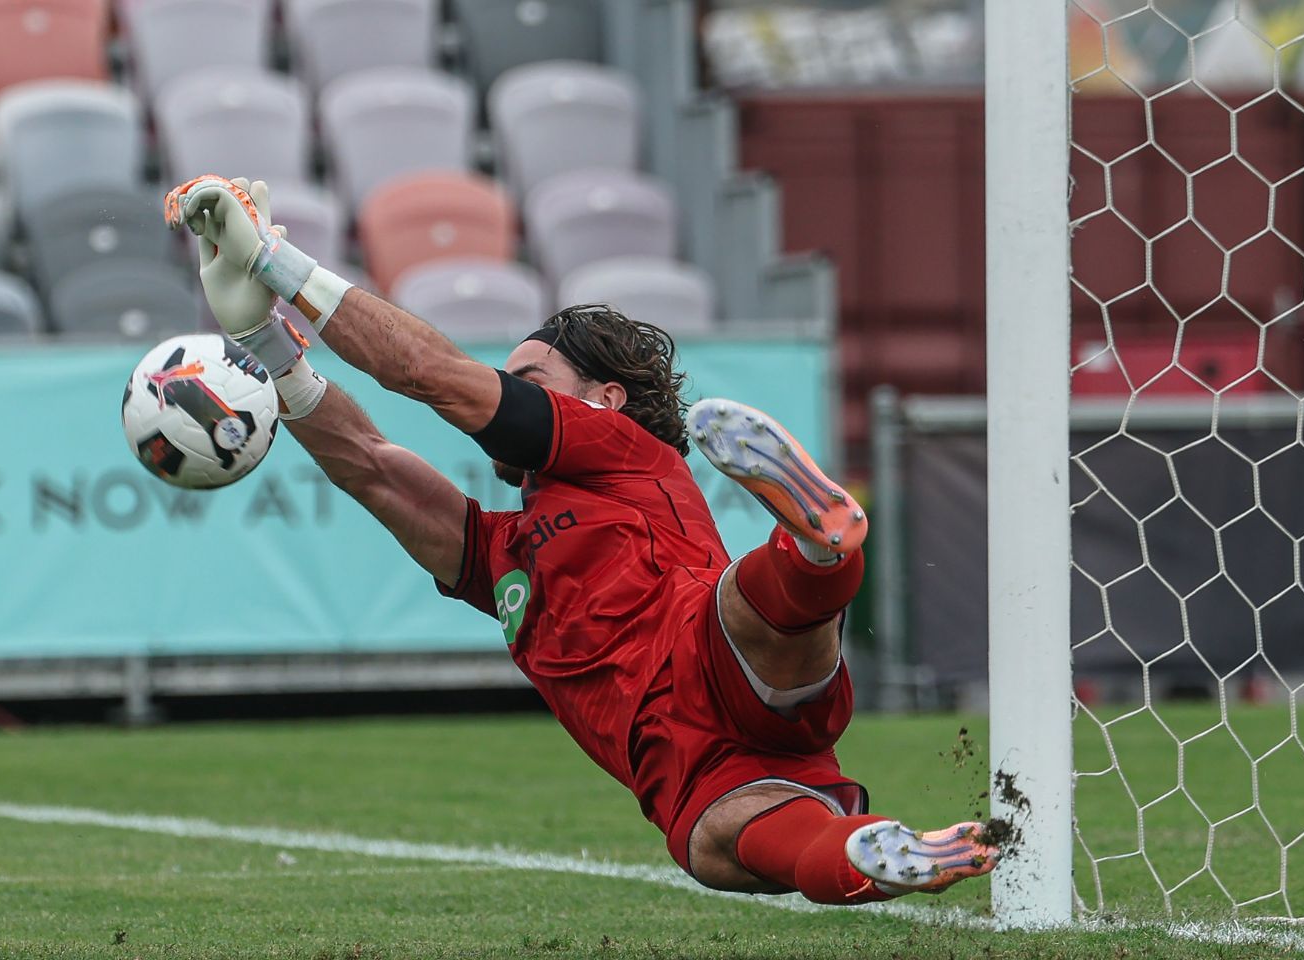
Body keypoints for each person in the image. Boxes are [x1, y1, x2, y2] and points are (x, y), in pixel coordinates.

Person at [162, 175, 998, 903]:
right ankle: (871, 851)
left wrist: (275, 261)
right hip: (686, 765)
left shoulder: (620, 453)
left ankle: (816, 552)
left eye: (531, 380)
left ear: (602, 399)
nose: (510, 391)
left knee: (750, 613)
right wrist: (264, 346)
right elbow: (372, 466)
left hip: (709, 651)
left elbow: (426, 376)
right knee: (722, 847)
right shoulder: (501, 555)